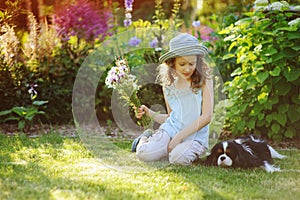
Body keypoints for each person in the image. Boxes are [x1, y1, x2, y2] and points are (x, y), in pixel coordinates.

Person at [131, 33, 214, 165]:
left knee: (177, 158)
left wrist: (178, 138)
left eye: (192, 64)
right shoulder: (169, 86)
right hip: (171, 131)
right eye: (182, 64)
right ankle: (145, 138)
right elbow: (171, 117)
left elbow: (206, 117)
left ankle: (170, 148)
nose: (187, 69)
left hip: (195, 137)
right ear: (172, 63)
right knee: (144, 154)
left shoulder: (205, 81)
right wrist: (149, 113)